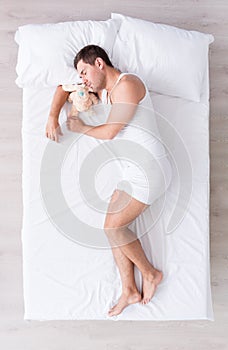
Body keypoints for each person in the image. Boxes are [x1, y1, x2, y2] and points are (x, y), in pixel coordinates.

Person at [45, 45, 170, 317]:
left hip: (150, 169)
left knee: (114, 229)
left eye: (84, 72)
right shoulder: (102, 92)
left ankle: (150, 273)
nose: (83, 80)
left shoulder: (128, 84)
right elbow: (62, 88)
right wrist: (53, 117)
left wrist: (81, 128)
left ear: (99, 63)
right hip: (131, 170)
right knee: (110, 226)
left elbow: (113, 131)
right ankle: (129, 290)